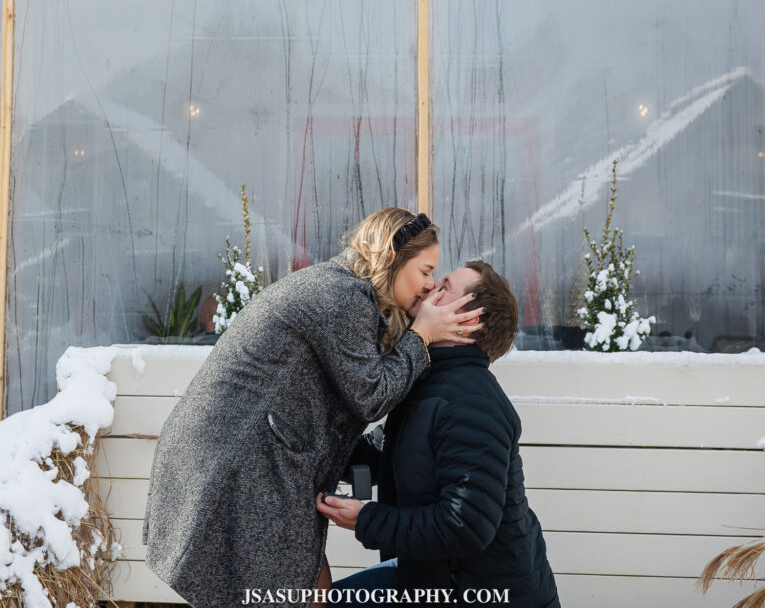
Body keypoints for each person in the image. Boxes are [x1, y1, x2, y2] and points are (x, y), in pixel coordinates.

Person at [142, 208, 482, 607]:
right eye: (425, 271)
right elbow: (371, 394)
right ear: (393, 258)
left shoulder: (346, 291)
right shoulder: (344, 297)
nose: (428, 287)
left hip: (251, 466)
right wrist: (423, 335)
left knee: (304, 589)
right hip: (241, 469)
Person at [318, 260, 561, 608]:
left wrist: (367, 519)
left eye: (445, 286)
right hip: (428, 580)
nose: (430, 287)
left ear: (468, 321)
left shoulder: (469, 400)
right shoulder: (430, 385)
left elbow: (465, 524)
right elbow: (376, 456)